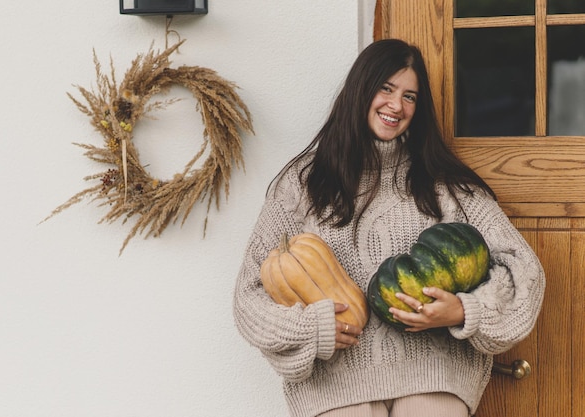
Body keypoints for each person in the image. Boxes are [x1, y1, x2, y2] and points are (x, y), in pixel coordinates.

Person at [232, 38, 545, 417]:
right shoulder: (304, 183)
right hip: (335, 385)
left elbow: (523, 269)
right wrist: (311, 328)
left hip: (435, 375)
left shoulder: (446, 184)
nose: (396, 105)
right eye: (386, 88)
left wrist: (464, 311)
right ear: (360, 91)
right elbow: (249, 298)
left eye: (410, 96)